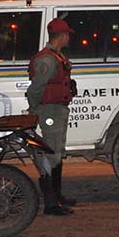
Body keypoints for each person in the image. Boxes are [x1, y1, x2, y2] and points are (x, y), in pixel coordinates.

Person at [27, 17, 77, 216]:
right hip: (50, 111)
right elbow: (36, 87)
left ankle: (57, 196)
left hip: (57, 109)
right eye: (67, 35)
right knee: (51, 153)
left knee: (57, 150)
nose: (69, 39)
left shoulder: (56, 56)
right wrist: (34, 109)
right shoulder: (47, 59)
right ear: (62, 36)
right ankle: (51, 204)